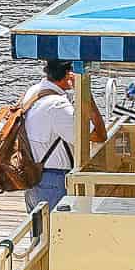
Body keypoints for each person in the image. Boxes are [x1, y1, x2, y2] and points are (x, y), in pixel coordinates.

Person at [21, 59, 105, 213]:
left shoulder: (33, 92)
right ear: (69, 74)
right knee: (58, 233)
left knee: (39, 232)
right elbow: (99, 135)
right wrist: (86, 94)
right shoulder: (58, 106)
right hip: (54, 180)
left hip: (32, 174)